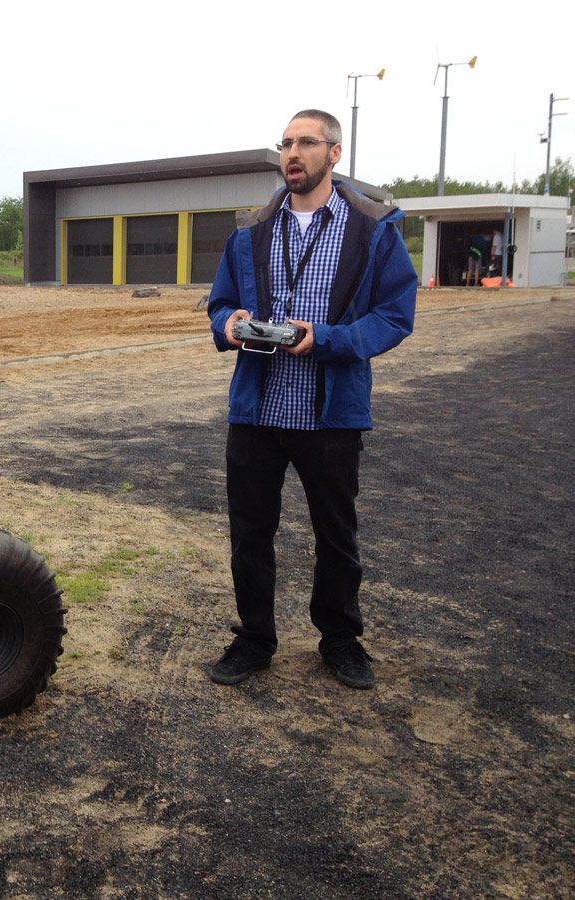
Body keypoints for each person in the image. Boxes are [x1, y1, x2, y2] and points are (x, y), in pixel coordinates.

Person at [204, 109, 416, 689]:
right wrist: (229, 323)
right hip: (257, 410)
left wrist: (328, 340)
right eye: (286, 143)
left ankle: (342, 641)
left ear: (335, 153)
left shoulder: (373, 228)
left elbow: (397, 315)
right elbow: (219, 303)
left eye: (306, 142)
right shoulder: (250, 231)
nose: (292, 153)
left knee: (336, 535)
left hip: (331, 415)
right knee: (250, 534)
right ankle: (253, 640)